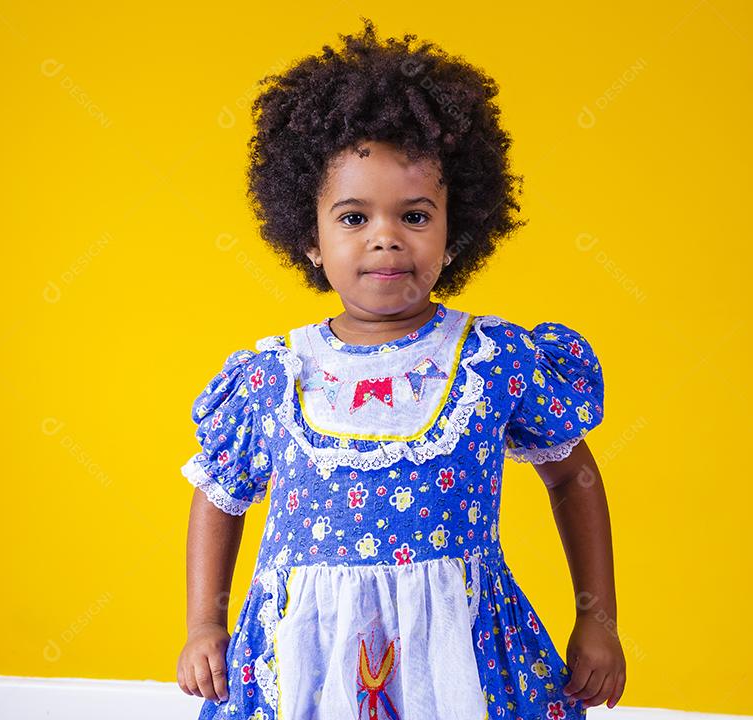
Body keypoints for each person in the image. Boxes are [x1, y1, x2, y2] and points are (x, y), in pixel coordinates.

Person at [177, 17, 625, 719]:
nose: (385, 237)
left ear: (455, 232)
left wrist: (598, 618)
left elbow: (573, 475)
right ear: (310, 237)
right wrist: (205, 623)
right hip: (306, 664)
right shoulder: (271, 377)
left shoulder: (495, 360)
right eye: (354, 218)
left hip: (461, 659)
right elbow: (219, 495)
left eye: (414, 216)